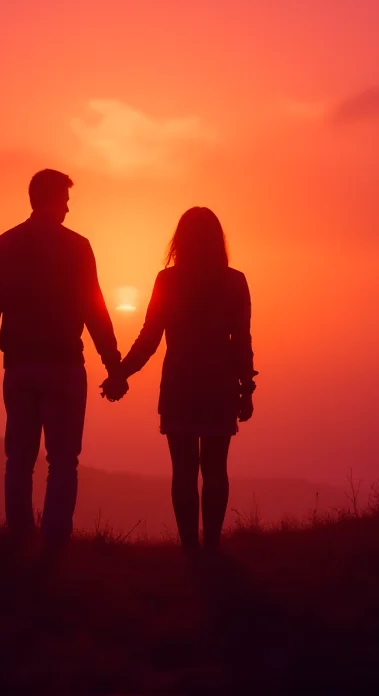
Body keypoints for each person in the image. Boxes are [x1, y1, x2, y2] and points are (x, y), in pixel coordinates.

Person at [0, 169, 126, 549]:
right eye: (66, 199)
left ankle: (20, 539)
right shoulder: (77, 247)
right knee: (63, 460)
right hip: (63, 367)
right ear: (53, 199)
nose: (69, 208)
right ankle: (54, 543)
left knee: (19, 458)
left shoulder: (3, 244)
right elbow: (95, 311)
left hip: (20, 367)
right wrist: (113, 365)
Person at [101, 207, 257, 551]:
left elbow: (150, 338)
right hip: (219, 384)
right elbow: (241, 341)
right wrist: (246, 389)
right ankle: (211, 546)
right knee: (216, 469)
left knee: (184, 471)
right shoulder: (234, 281)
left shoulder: (167, 281)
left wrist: (120, 373)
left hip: (180, 385)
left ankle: (190, 548)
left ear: (180, 241)